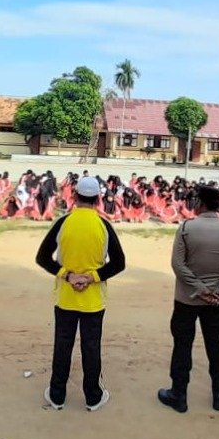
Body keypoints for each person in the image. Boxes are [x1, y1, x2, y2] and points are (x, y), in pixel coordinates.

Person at [34, 175, 127, 412]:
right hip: (93, 300)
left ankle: (57, 396)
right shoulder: (103, 226)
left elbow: (42, 257)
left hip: (65, 298)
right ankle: (93, 397)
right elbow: (119, 263)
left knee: (62, 346)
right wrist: (91, 277)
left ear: (74, 197)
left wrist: (68, 275)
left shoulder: (63, 222)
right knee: (91, 347)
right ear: (97, 199)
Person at [157, 184, 219, 414]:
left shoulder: (187, 227)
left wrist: (198, 288)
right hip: (217, 301)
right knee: (216, 346)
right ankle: (218, 395)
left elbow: (178, 264)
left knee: (182, 346)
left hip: (187, 299)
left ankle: (179, 395)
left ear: (200, 203)